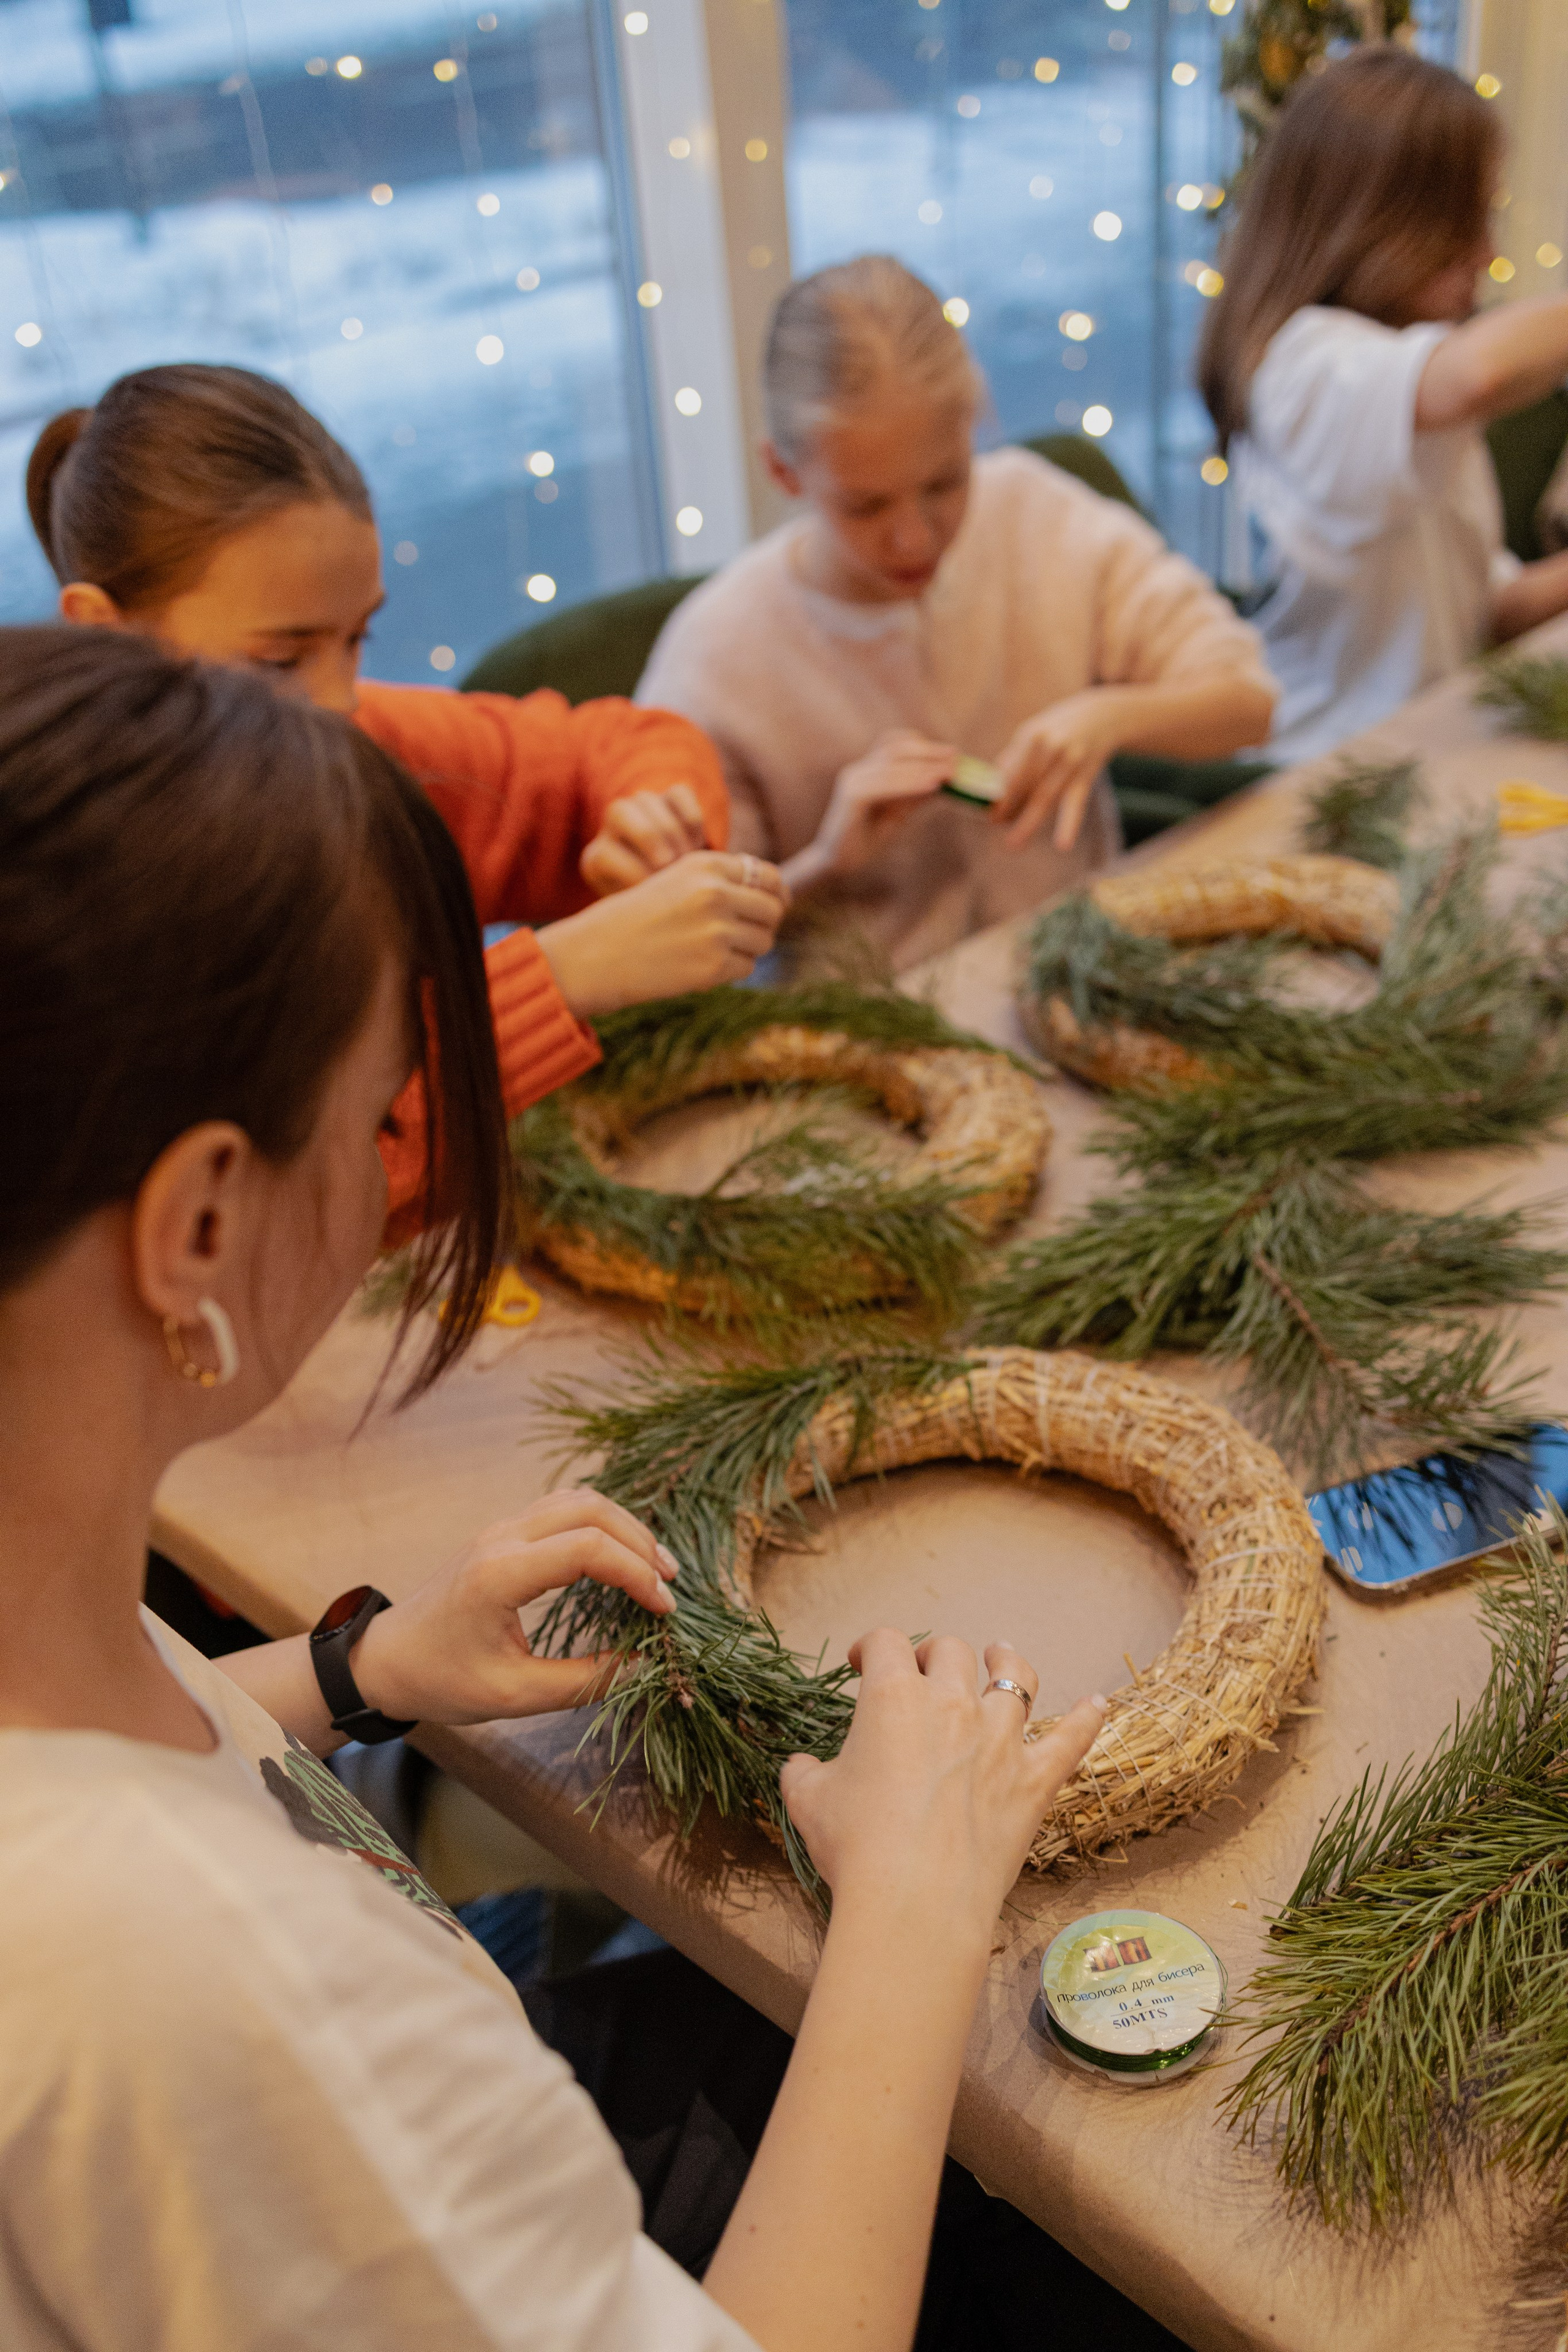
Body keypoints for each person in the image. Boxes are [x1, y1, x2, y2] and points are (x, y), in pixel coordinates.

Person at [0, 622, 1137, 2352]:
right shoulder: (217, 2004)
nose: (414, 1142)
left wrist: (355, 1672)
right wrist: (915, 1895)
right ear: (198, 1229)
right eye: (383, 1099)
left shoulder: (49, 1602)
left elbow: (88, 1747)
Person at [25, 365, 788, 1224]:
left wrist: (657, 819)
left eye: (358, 638)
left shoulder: (359, 746)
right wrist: (562, 979)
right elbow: (275, 1206)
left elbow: (626, 744)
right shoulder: (64, 905)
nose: (339, 699)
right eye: (278, 661)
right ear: (102, 628)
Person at [638, 256, 1275, 973]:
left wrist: (1110, 717)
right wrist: (825, 861)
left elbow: (1250, 704)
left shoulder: (1040, 515)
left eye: (945, 482)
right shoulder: (717, 654)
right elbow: (684, 935)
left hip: (1085, 966)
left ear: (972, 429)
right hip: (866, 1029)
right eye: (867, 505)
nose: (915, 537)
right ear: (784, 473)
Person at [1199, 45, 1568, 766]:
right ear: (1380, 224)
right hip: (1324, 765)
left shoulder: (1406, 390)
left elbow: (1485, 611)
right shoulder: (1305, 365)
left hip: (1430, 739)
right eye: (1467, 224)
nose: (1487, 252)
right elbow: (1482, 374)